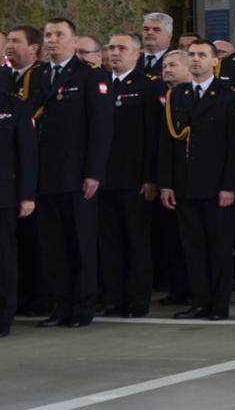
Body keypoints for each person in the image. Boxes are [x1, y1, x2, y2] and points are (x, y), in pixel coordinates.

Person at [15, 18, 113, 329]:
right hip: (45, 175)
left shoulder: (90, 75)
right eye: (48, 35)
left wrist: (94, 172)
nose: (52, 40)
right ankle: (60, 306)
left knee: (80, 244)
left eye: (59, 35)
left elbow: (101, 128)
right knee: (53, 246)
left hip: (77, 175)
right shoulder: (38, 76)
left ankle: (82, 307)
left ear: (74, 40)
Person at [159, 40, 235, 321]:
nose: (196, 59)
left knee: (219, 248)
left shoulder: (229, 96)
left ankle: (219, 305)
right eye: (192, 55)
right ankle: (199, 301)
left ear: (214, 61)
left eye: (202, 55)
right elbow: (167, 143)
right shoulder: (177, 95)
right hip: (185, 184)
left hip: (216, 185)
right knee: (193, 248)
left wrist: (228, 186)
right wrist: (166, 183)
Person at [95, 32, 159, 319]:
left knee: (137, 242)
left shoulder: (146, 86)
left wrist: (150, 178)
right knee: (109, 243)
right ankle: (113, 298)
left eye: (122, 48)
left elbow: (152, 136)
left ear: (137, 53)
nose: (115, 53)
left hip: (134, 179)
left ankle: (137, 300)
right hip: (104, 178)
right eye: (111, 47)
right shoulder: (99, 85)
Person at [153, 50, 192, 307]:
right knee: (171, 240)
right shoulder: (166, 97)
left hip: (195, 181)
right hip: (170, 180)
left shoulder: (192, 97)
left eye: (172, 65)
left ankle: (193, 289)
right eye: (164, 66)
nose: (166, 70)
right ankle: (177, 288)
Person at [0, 81, 35, 338]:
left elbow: (27, 153)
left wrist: (26, 195)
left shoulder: (14, 104)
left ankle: (3, 315)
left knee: (4, 257)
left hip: (4, 195)